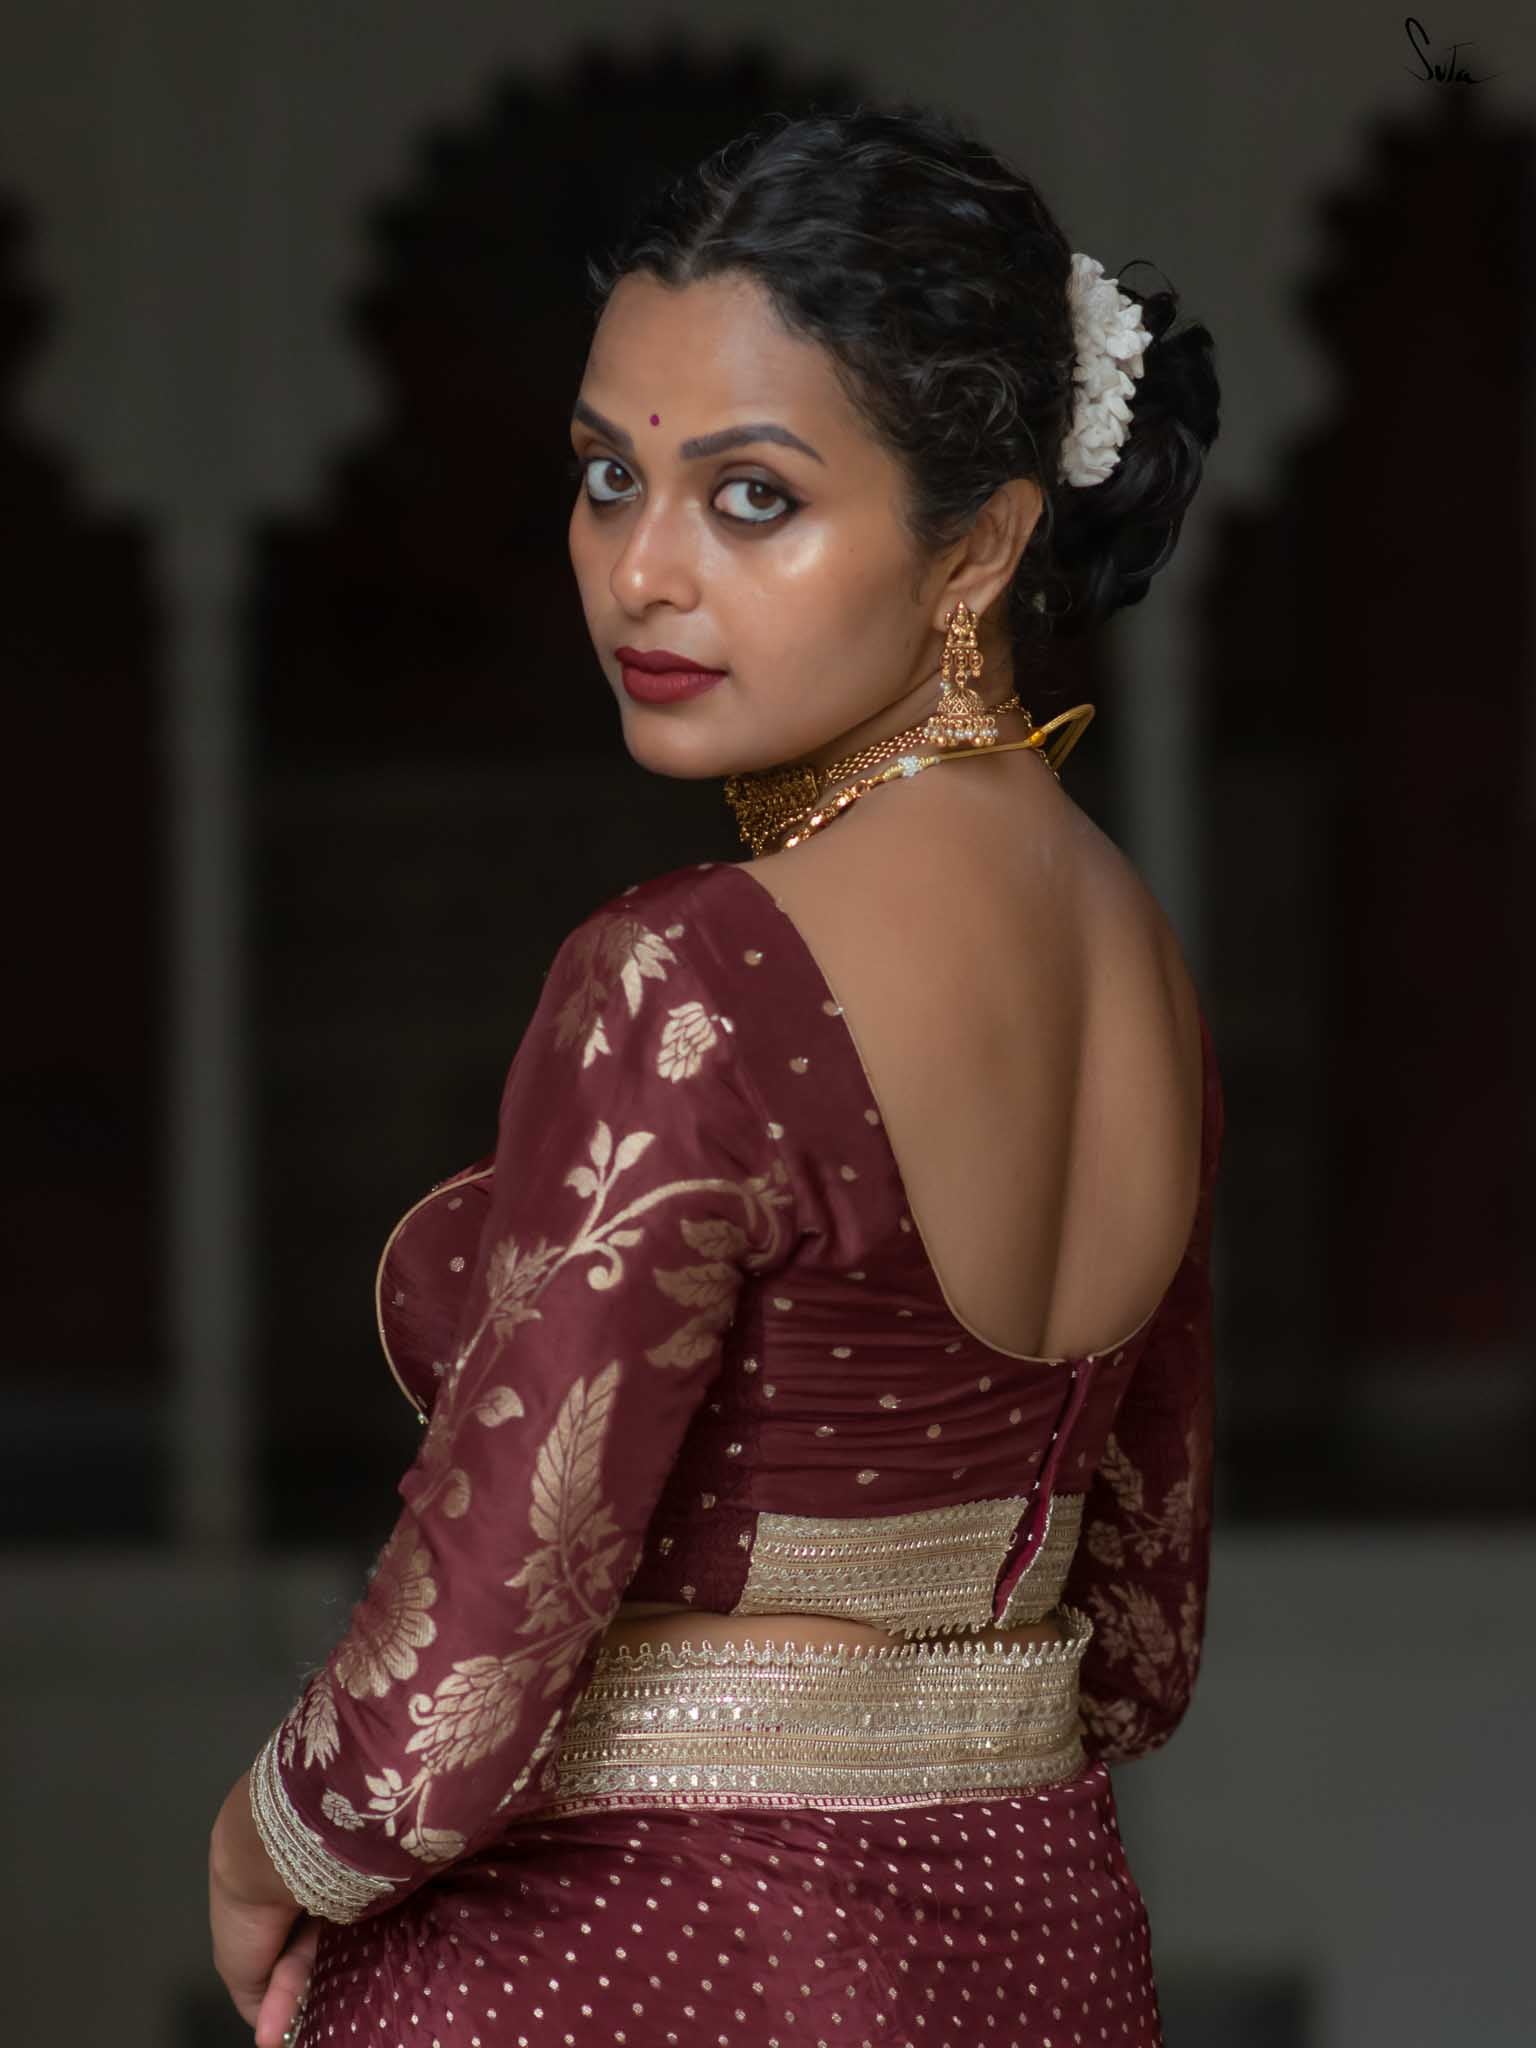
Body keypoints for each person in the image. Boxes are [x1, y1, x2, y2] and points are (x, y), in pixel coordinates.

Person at [210, 100, 1223, 2048]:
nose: (641, 573)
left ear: (981, 542)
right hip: (1042, 1946)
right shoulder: (1139, 962)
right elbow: (1141, 1641)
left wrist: (264, 1852)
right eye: (609, 477)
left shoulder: (694, 976)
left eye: (751, 495)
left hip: (653, 1951)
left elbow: (452, 1695)